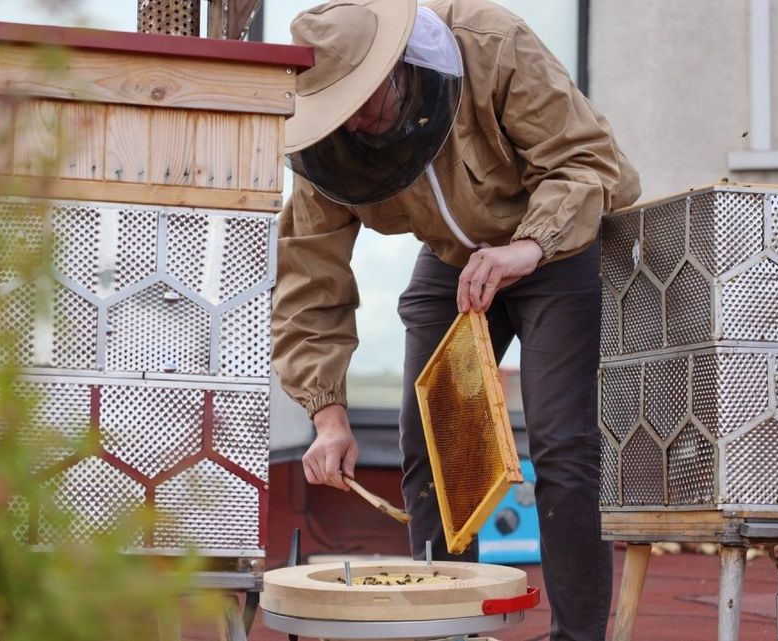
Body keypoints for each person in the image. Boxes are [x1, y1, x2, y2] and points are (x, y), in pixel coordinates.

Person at [271, 1, 641, 639]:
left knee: (561, 444)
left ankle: (577, 635)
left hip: (550, 247)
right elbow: (309, 276)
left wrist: (528, 248)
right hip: (452, 260)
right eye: (339, 108)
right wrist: (327, 415)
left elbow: (589, 164)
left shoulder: (491, 43)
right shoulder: (328, 137)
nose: (355, 123)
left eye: (366, 101)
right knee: (433, 448)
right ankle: (448, 628)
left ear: (401, 69)